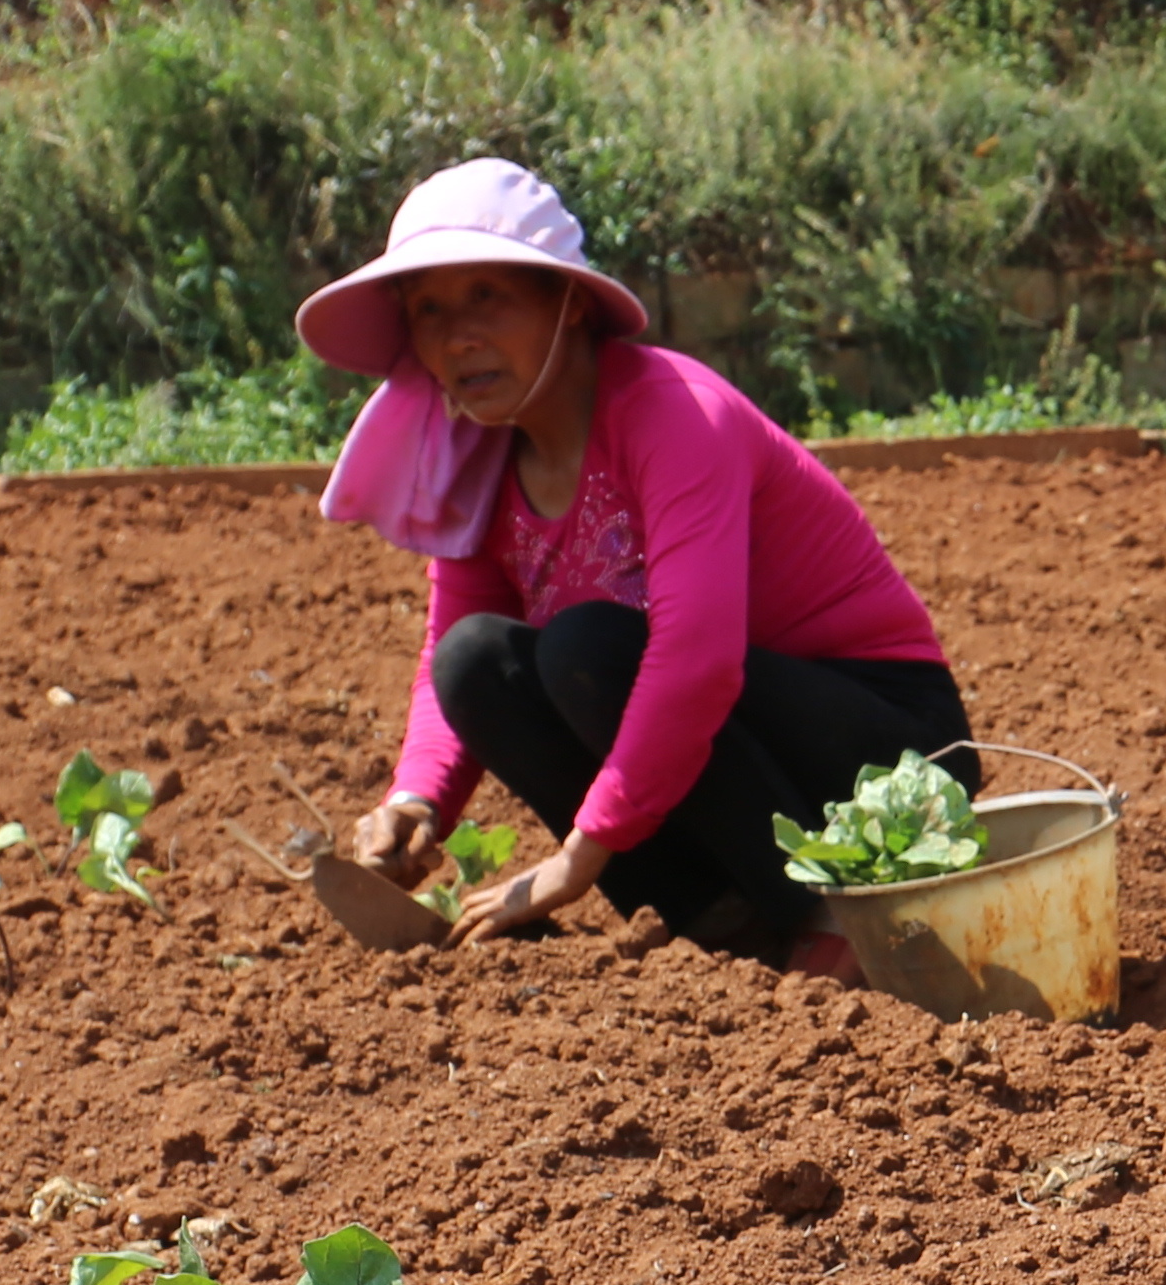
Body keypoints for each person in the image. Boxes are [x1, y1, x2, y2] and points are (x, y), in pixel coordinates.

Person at [303, 157, 972, 966]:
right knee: (477, 659)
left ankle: (831, 923)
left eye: (487, 295)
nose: (456, 335)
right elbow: (453, 655)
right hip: (748, 755)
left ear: (571, 304)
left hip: (893, 753)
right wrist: (416, 802)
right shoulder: (485, 458)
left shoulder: (673, 413)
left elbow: (696, 663)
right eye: (428, 309)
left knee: (590, 648)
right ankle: (719, 925)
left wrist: (575, 863)